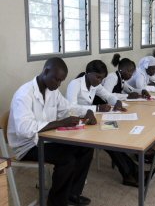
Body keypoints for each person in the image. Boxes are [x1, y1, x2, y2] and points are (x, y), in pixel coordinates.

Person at [7, 57, 97, 206]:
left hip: (45, 138)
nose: (59, 84)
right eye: (56, 80)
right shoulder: (24, 94)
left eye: (61, 81)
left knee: (85, 148)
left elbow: (66, 108)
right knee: (67, 159)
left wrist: (86, 111)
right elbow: (25, 129)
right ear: (46, 71)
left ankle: (71, 194)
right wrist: (60, 123)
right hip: (27, 145)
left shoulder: (52, 90)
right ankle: (56, 202)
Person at [66, 60, 146, 187]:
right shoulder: (75, 84)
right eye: (97, 77)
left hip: (90, 121)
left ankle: (133, 172)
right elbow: (70, 108)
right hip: (76, 123)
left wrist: (116, 102)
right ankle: (130, 173)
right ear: (88, 73)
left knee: (111, 136)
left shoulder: (95, 84)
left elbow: (107, 95)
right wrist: (97, 108)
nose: (99, 80)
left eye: (102, 78)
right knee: (107, 140)